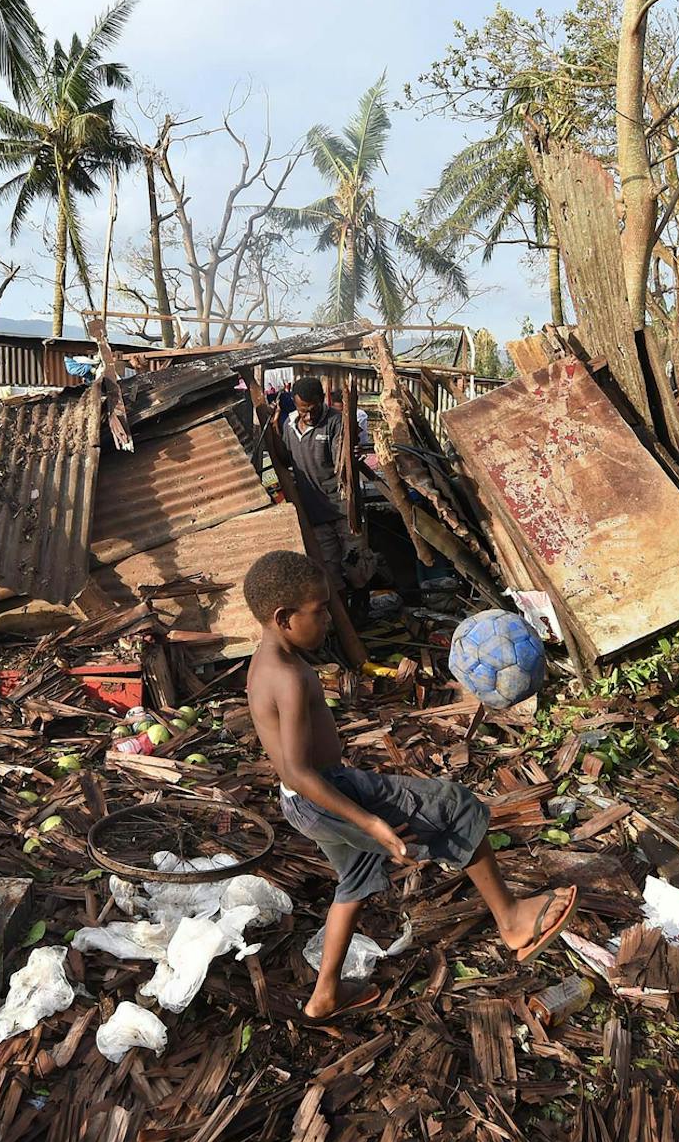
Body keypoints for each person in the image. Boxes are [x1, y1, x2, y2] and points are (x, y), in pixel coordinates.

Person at [244, 549, 578, 1022]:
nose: (327, 622)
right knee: (457, 806)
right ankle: (513, 920)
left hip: (301, 803)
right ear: (283, 617)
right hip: (328, 794)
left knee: (355, 880)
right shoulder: (291, 677)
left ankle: (324, 997)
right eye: (319, 612)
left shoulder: (263, 664)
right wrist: (372, 821)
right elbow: (300, 769)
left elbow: (292, 776)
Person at [282, 376, 370, 588]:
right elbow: (285, 459)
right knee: (328, 574)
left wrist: (352, 453)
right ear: (295, 403)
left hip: (344, 511)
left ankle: (362, 608)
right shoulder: (289, 425)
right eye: (303, 410)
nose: (309, 415)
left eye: (313, 408)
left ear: (322, 399)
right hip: (315, 514)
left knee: (355, 566)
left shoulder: (336, 422)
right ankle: (341, 618)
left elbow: (342, 459)